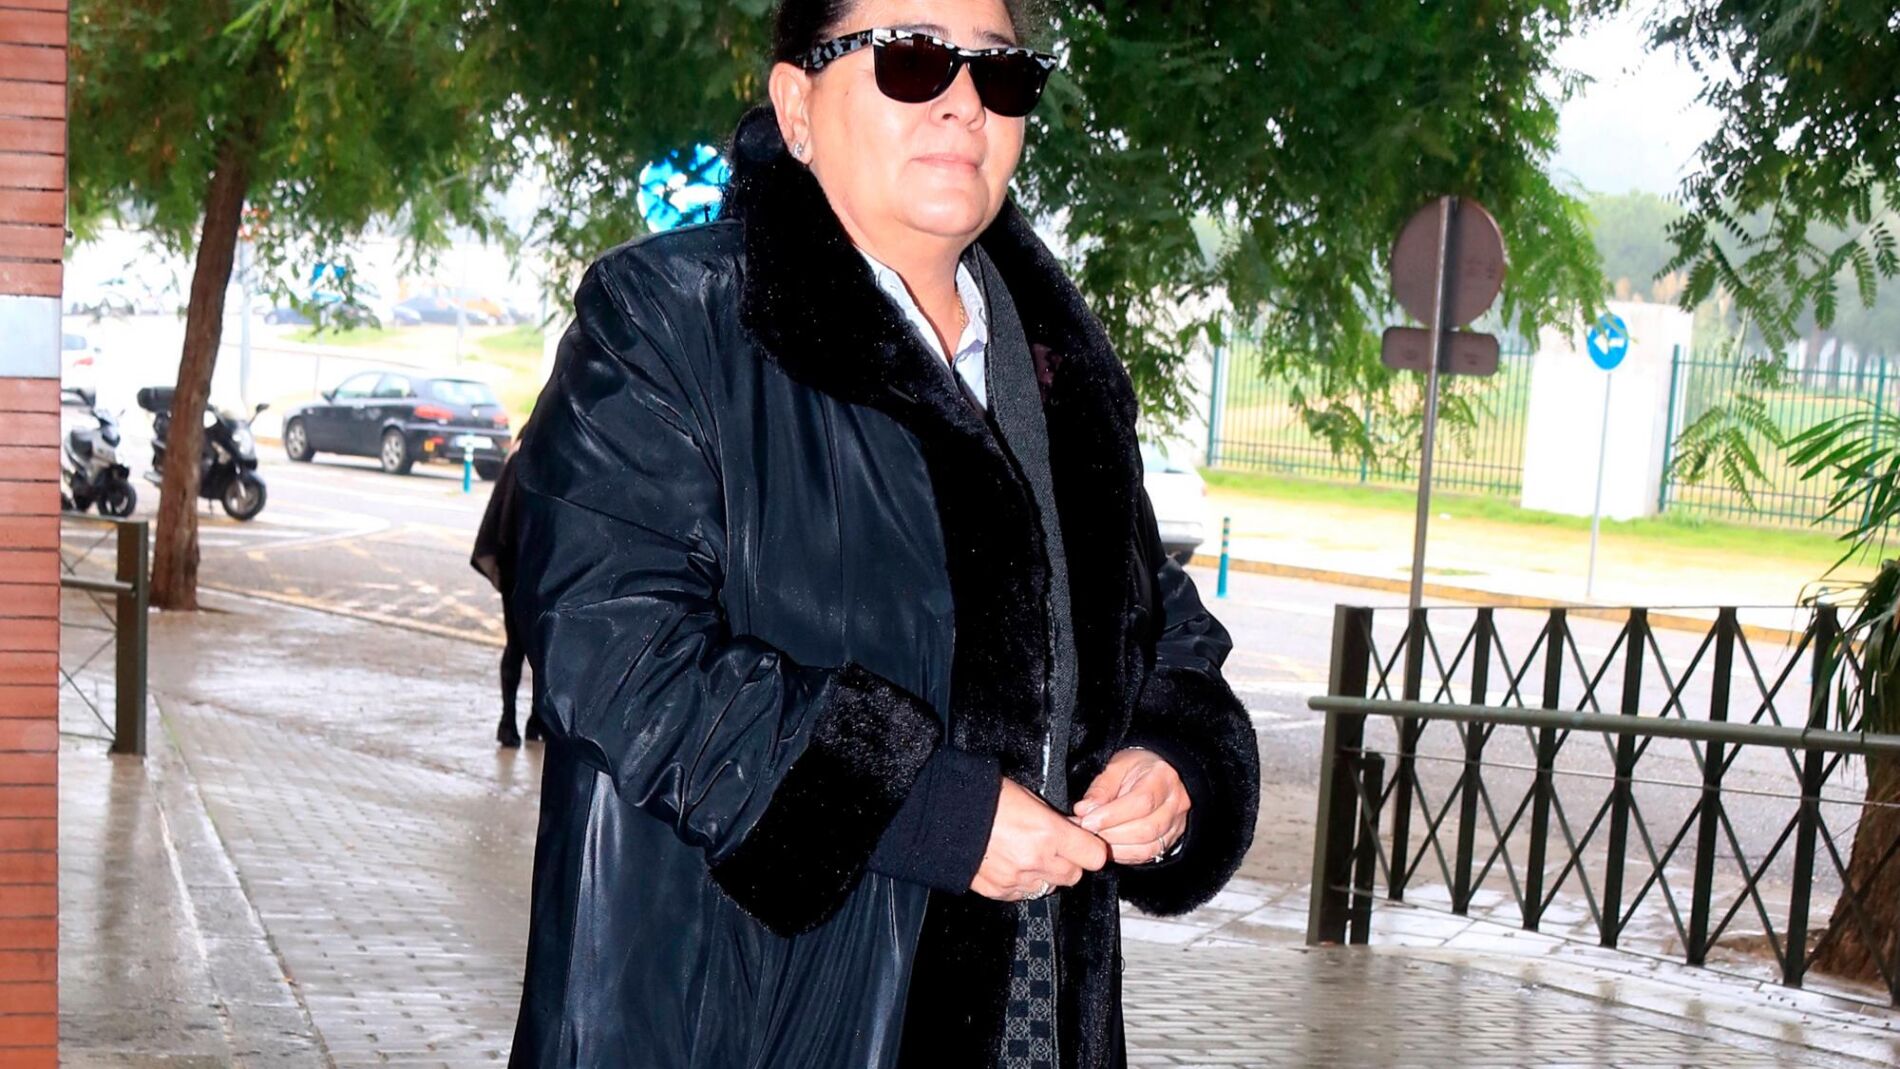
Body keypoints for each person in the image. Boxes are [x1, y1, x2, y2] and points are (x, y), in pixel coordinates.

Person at [505, 0, 1260, 1065]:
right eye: (910, 58)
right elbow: (611, 647)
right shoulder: (666, 321)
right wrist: (922, 808)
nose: (963, 103)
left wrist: (1174, 765)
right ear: (797, 106)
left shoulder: (1061, 380)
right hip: (742, 1019)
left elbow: (1165, 638)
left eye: (999, 72)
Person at [469, 453, 545, 748]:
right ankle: (531, 720)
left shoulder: (519, 460)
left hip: (516, 566)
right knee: (541, 648)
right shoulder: (546, 459)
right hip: (538, 570)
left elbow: (500, 521)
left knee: (518, 645)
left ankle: (510, 720)